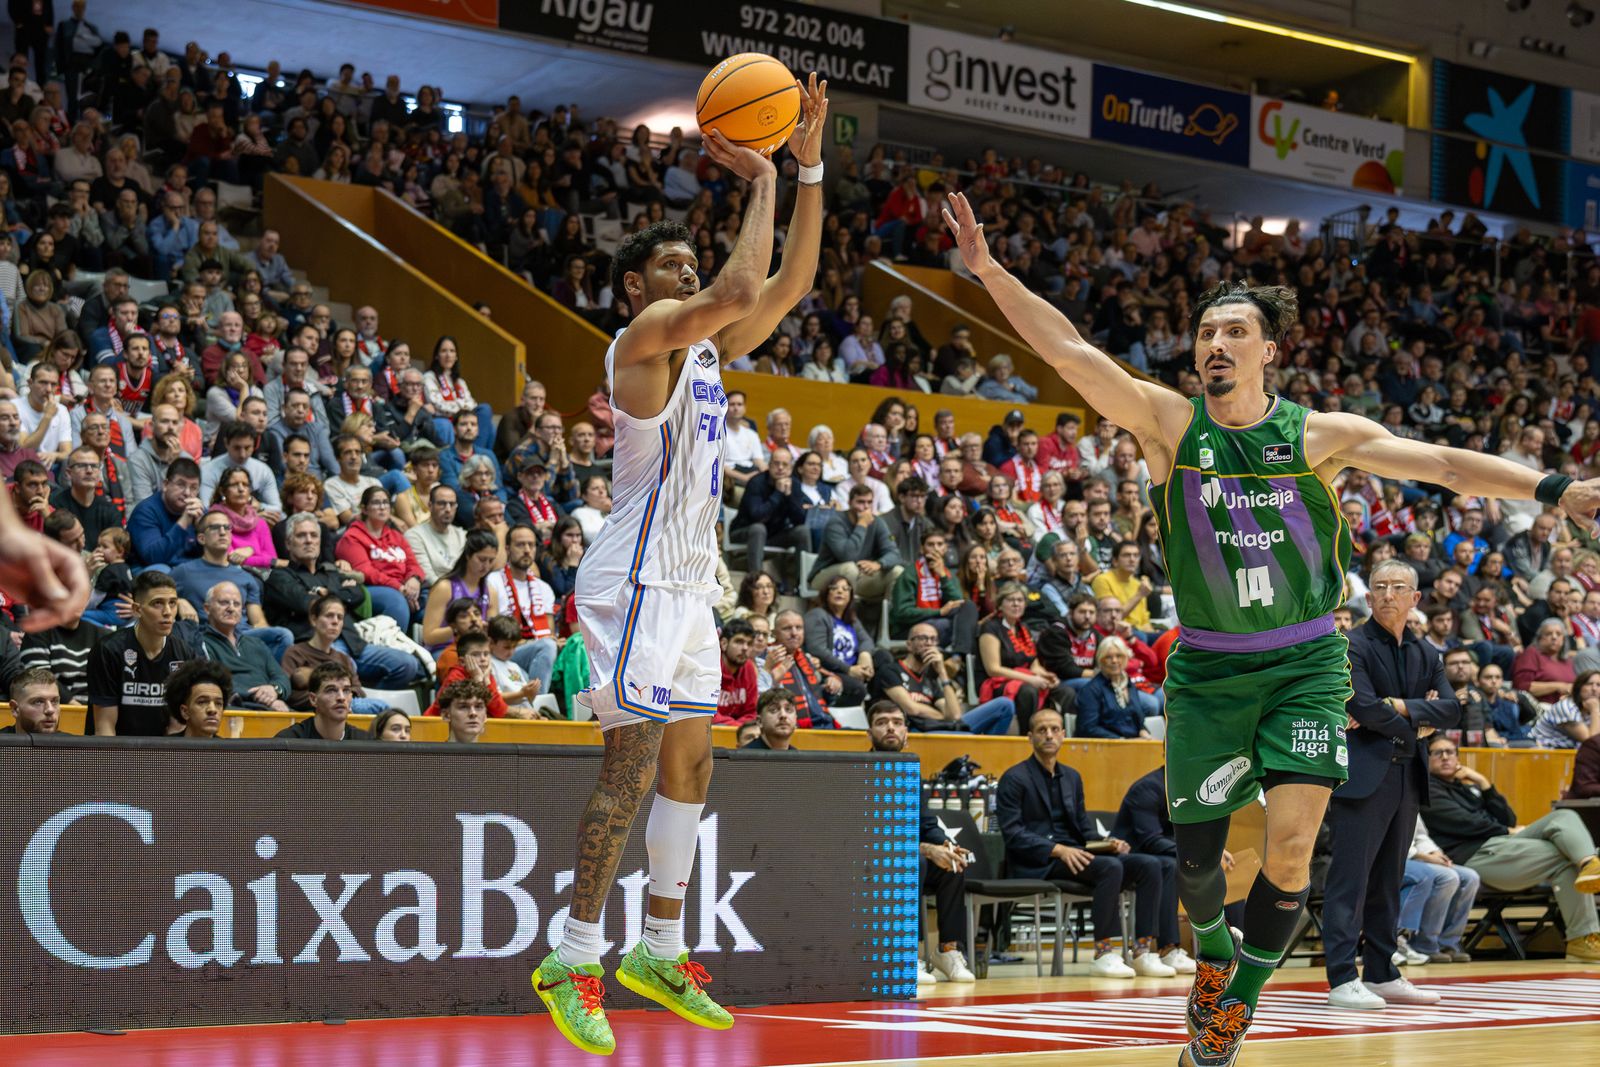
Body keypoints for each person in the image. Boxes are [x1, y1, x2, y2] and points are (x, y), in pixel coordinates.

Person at [942, 190, 1600, 1067]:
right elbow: (1068, 352)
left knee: (1292, 849)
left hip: (1306, 664)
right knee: (1207, 872)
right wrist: (989, 271)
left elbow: (1441, 464)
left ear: (1269, 351)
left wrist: (1554, 489)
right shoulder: (1169, 423)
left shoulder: (1318, 435)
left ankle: (1232, 1011)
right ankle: (1215, 957)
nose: (1214, 344)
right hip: (1210, 671)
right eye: (1206, 332)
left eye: (1233, 332)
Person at [537, 76, 826, 1058]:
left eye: (686, 265)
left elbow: (784, 287)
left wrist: (808, 167)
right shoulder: (639, 344)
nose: (685, 277)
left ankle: (658, 944)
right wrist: (757, 177)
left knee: (691, 764)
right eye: (668, 266)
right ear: (634, 291)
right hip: (631, 581)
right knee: (626, 771)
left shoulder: (705, 353)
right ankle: (571, 954)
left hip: (689, 582)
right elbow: (741, 287)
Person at [1322, 559, 1459, 1010]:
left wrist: (1400, 707)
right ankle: (1342, 977)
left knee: (1387, 879)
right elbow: (1361, 703)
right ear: (1367, 596)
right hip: (1361, 776)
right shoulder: (1351, 644)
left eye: (1398, 587)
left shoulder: (1426, 652)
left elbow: (1453, 709)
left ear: (1415, 598)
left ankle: (1381, 972)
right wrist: (1417, 720)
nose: (1386, 594)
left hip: (1406, 775)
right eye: (1379, 586)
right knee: (1350, 880)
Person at [996, 706, 1176, 978]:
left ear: (1064, 735)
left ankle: (1143, 951)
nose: (1049, 735)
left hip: (1076, 855)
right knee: (1110, 868)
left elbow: (1083, 830)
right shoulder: (1014, 778)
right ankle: (1105, 951)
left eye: (1055, 729)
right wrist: (1056, 850)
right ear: (1029, 736)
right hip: (1038, 862)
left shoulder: (1072, 776)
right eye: (1042, 730)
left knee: (1149, 864)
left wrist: (1108, 843)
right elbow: (1013, 833)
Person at [1421, 733, 1600, 962]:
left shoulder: (1466, 787)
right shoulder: (1427, 790)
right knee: (1565, 856)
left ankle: (1588, 865)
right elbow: (1465, 824)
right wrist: (1506, 831)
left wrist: (1485, 785)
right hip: (1475, 855)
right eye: (1438, 753)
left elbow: (1509, 817)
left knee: (1565, 816)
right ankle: (1583, 935)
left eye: (1451, 752)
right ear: (1426, 759)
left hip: (1502, 847)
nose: (1446, 757)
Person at [866, 700, 976, 983]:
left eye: (897, 722)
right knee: (912, 861)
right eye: (881, 722)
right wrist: (924, 849)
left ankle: (948, 950)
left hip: (910, 861)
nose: (890, 727)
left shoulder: (911, 772)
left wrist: (945, 845)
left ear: (906, 733)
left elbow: (927, 825)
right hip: (869, 862)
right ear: (869, 734)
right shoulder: (860, 771)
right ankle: (905, 955)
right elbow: (870, 834)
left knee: (952, 863)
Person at [264, 513, 420, 691]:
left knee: (407, 664)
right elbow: (304, 602)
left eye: (313, 535)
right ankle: (354, 702)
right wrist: (338, 594)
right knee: (346, 667)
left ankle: (367, 700)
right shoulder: (279, 577)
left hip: (354, 642)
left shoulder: (330, 572)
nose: (309, 540)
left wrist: (325, 593)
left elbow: (357, 594)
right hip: (318, 649)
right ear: (288, 544)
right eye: (301, 535)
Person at [1113, 766, 1204, 975]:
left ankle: (1236, 946)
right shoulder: (1148, 788)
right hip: (1130, 858)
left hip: (1162, 858)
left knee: (1215, 863)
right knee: (1165, 865)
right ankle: (1149, 949)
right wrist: (1192, 854)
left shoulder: (1190, 788)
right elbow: (1150, 839)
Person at [88, 570, 194, 735]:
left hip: (162, 754)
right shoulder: (108, 650)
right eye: (157, 603)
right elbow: (104, 727)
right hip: (116, 752)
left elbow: (178, 724)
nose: (167, 612)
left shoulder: (183, 653)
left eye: (172, 603)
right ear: (137, 610)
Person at [870, 620, 1016, 734]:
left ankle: (987, 756)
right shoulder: (891, 670)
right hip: (915, 730)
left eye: (933, 639)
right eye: (922, 638)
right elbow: (912, 708)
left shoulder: (930, 679)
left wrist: (942, 673)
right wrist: (943, 716)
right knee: (965, 736)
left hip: (941, 726)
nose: (928, 643)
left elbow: (955, 714)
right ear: (909, 645)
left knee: (1005, 705)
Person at [1394, 814, 1479, 966]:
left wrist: (1434, 852)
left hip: (1417, 856)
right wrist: (1422, 856)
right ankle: (1424, 943)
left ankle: (1446, 943)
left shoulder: (1409, 793)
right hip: (1394, 856)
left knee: (1470, 877)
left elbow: (1420, 834)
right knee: (1446, 877)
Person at [198, 581, 290, 711]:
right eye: (224, 602)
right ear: (207, 609)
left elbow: (281, 678)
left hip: (270, 705)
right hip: (236, 707)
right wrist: (261, 698)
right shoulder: (201, 643)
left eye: (236, 604)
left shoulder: (256, 643)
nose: (231, 608)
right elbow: (213, 684)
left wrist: (274, 689)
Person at [808, 483, 903, 605]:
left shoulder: (878, 522)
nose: (866, 507)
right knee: (850, 568)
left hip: (860, 577)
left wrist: (879, 564)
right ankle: (847, 619)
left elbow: (894, 553)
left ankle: (888, 621)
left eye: (869, 502)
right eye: (860, 502)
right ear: (849, 502)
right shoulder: (836, 522)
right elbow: (848, 555)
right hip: (824, 577)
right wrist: (862, 525)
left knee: (897, 571)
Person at [1074, 636, 1160, 738]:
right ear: (1101, 660)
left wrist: (1143, 731)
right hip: (1105, 749)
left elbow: (1138, 719)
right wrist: (1121, 741)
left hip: (1133, 746)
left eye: (1119, 656)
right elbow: (1087, 728)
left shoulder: (1129, 685)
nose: (1114, 661)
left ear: (1126, 659)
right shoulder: (1090, 691)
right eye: (1108, 657)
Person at [275, 660, 370, 741]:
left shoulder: (367, 743)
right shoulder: (289, 741)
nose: (341, 697)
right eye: (331, 690)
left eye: (346, 690)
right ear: (313, 699)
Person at [166, 659, 230, 739]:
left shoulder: (228, 750)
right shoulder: (167, 748)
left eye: (218, 703)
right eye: (202, 702)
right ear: (185, 712)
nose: (212, 710)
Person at [714, 617, 758, 726]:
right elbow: (707, 714)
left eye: (749, 643)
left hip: (739, 732)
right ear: (723, 644)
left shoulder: (749, 667)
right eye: (739, 642)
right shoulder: (711, 666)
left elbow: (751, 712)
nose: (745, 648)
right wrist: (737, 727)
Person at [1, 666, 61, 734]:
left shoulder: (72, 743)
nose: (50, 710)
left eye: (54, 701)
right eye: (38, 702)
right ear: (15, 708)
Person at [438, 677, 490, 742]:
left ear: (485, 716)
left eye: (478, 707)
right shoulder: (430, 752)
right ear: (445, 715)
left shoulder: (499, 752)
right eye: (463, 707)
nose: (473, 713)